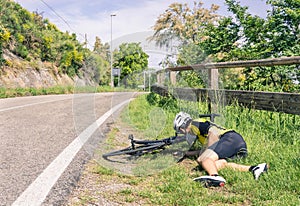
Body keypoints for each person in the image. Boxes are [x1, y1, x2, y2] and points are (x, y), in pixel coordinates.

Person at [173, 111, 268, 187]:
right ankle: (255, 168)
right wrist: (186, 153)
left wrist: (204, 155)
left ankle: (215, 176)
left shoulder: (194, 124)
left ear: (182, 128)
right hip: (235, 143)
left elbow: (213, 133)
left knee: (204, 160)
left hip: (229, 138)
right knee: (217, 164)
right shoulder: (198, 132)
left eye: (180, 131)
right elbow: (207, 149)